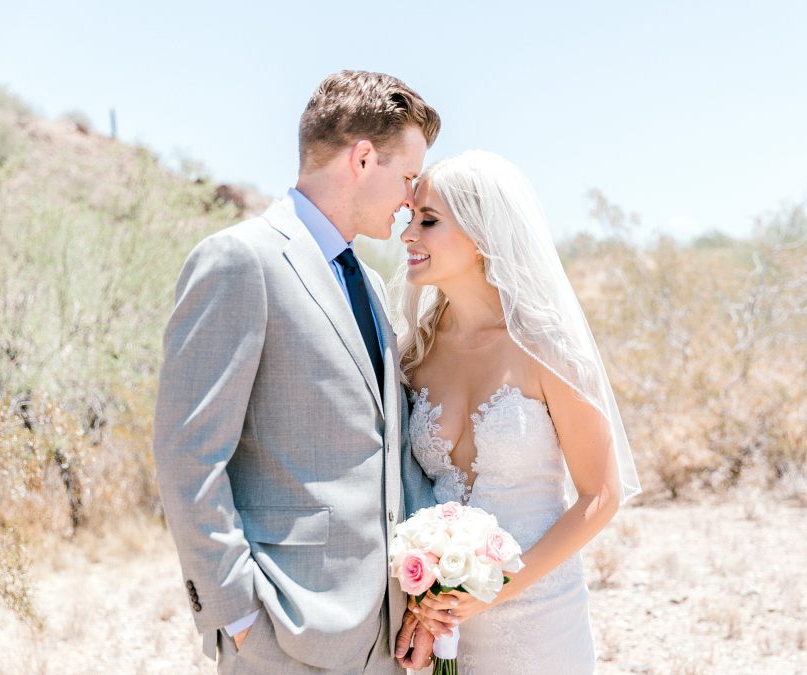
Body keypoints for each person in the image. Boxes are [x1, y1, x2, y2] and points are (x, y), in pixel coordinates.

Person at [152, 70, 440, 674]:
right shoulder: (240, 260)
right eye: (408, 177)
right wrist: (238, 618)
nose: (411, 199)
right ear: (363, 158)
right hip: (283, 634)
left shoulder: (366, 282)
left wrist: (417, 601)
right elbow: (187, 457)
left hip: (381, 636)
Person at [393, 150, 642, 673]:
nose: (408, 235)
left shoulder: (545, 348)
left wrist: (497, 591)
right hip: (444, 627)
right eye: (410, 218)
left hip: (541, 623)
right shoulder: (415, 355)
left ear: (483, 235)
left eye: (429, 220)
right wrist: (419, 602)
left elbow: (601, 495)